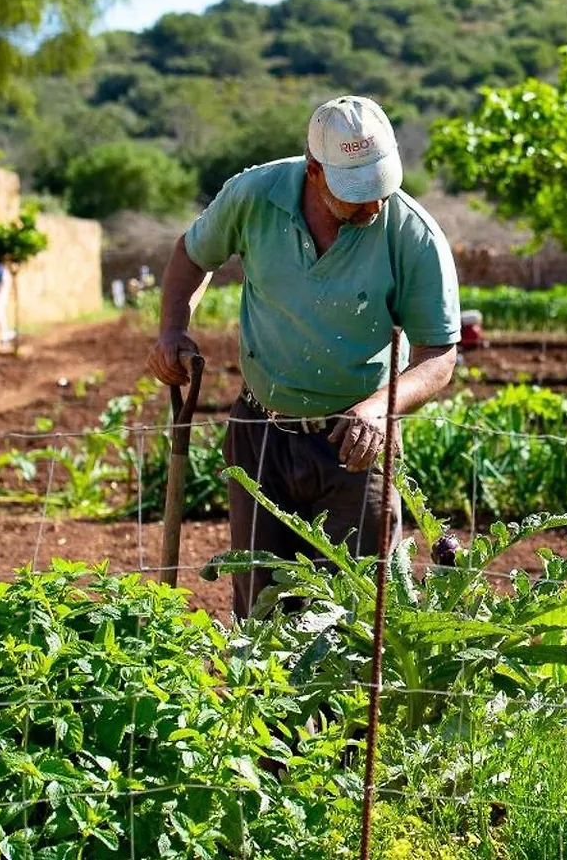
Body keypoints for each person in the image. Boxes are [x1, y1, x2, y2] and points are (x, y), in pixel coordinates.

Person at [145, 95, 461, 618]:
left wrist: (380, 408)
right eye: (357, 192)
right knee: (262, 611)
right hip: (261, 433)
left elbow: (438, 355)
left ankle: (347, 706)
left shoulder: (412, 234)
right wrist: (173, 329)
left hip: (356, 441)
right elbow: (192, 254)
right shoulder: (254, 196)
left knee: (357, 614)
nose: (374, 206)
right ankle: (267, 701)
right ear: (315, 170)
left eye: (381, 187)